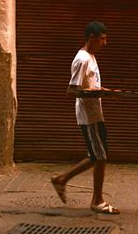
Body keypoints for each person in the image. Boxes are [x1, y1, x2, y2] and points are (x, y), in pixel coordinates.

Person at [50, 21, 121, 214]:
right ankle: (97, 201)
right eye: (103, 39)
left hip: (95, 113)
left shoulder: (91, 56)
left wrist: (104, 91)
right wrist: (98, 93)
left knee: (96, 155)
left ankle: (61, 179)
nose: (105, 43)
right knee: (100, 156)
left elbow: (88, 86)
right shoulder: (82, 59)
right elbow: (72, 91)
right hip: (88, 116)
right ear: (92, 37)